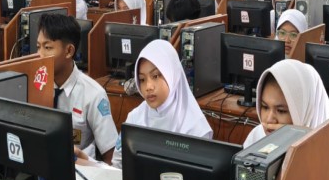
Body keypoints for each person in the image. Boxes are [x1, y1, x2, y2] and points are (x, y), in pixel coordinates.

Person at [111, 40, 212, 168]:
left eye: (155, 76)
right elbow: (117, 164)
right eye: (142, 79)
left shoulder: (195, 126)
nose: (148, 87)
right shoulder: (135, 118)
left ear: (172, 75)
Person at [37, 13, 118, 163]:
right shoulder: (35, 86)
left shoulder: (94, 94)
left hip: (80, 170)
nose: (39, 55)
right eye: (38, 47)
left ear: (69, 51)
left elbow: (110, 156)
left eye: (47, 47)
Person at [243, 60, 329, 147]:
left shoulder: (328, 147)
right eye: (265, 107)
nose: (269, 119)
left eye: (281, 111)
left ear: (305, 111)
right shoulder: (257, 137)